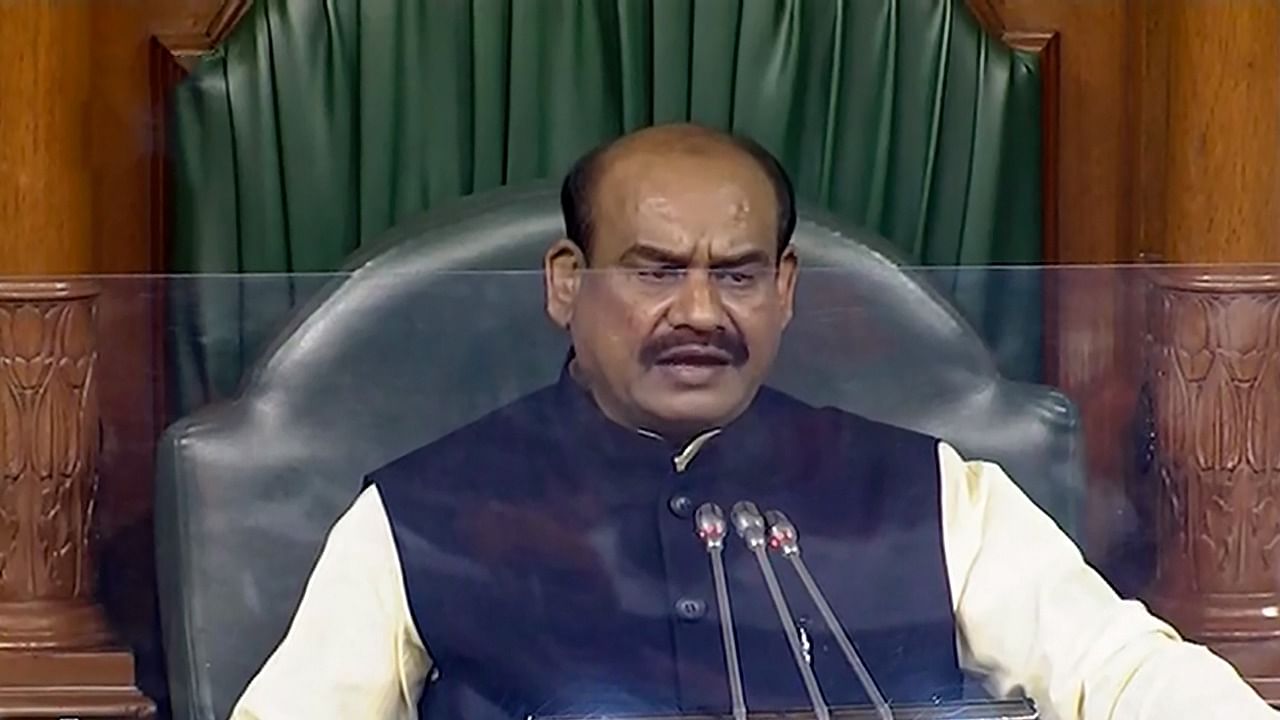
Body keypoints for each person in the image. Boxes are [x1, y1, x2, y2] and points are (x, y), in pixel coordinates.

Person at [231, 124, 1276, 719]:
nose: (697, 312)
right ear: (565, 284)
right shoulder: (417, 515)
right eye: (651, 272)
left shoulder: (931, 492)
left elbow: (1128, 674)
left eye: (734, 275)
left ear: (783, 290)